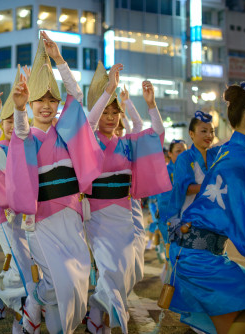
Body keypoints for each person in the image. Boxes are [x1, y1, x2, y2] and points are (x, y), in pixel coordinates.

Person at [168, 81, 245, 334]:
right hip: (199, 257)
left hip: (198, 252)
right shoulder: (242, 160)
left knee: (241, 320)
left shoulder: (226, 151)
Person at [7, 31, 104, 334]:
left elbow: (75, 95)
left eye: (52, 99)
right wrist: (20, 109)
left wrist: (60, 61)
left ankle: (35, 306)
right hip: (42, 223)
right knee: (59, 283)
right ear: (31, 103)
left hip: (72, 220)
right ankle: (40, 310)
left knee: (76, 282)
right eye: (40, 100)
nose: (46, 105)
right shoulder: (26, 136)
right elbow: (21, 133)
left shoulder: (66, 132)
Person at [84, 61, 170, 333]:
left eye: (115, 112)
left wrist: (150, 104)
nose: (110, 117)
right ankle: (103, 322)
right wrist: (109, 90)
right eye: (106, 112)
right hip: (97, 216)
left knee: (133, 270)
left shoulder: (126, 143)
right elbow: (88, 122)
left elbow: (155, 135)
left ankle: (96, 316)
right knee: (110, 269)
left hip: (125, 213)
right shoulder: (89, 139)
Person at [0, 73, 33, 333]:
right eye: (6, 120)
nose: (11, 124)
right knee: (23, 270)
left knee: (30, 270)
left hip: (33, 219)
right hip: (7, 219)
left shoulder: (29, 145)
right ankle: (17, 312)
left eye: (15, 119)